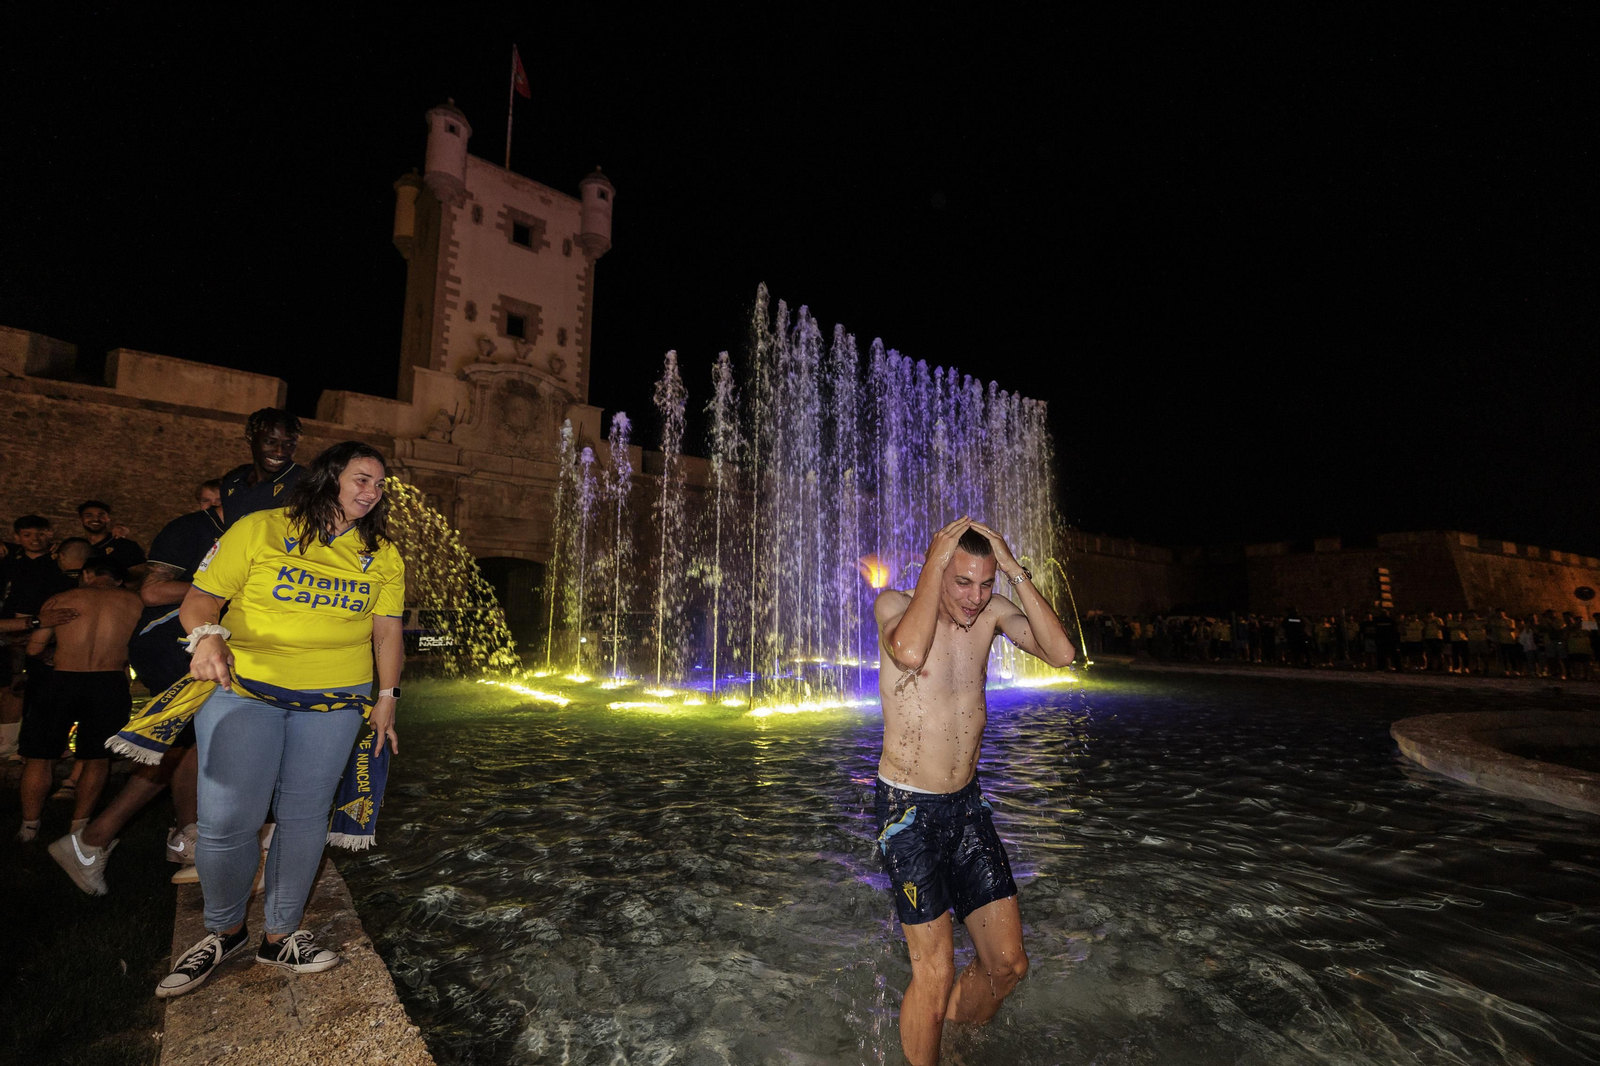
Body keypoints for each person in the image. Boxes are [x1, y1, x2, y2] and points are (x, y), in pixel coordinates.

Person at [149, 441, 404, 998]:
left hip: (335, 700)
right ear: (331, 477)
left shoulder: (380, 553)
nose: (372, 492)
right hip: (244, 690)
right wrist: (207, 636)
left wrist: (387, 695)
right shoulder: (261, 529)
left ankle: (281, 933)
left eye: (379, 485)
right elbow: (199, 599)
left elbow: (386, 630)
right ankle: (224, 930)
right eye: (363, 479)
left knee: (306, 815)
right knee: (225, 820)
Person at [872, 517, 1075, 1066]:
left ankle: (950, 1042)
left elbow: (1061, 654)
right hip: (907, 811)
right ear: (938, 568)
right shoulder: (894, 606)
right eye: (963, 581)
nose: (975, 596)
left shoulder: (990, 613)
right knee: (932, 974)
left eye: (986, 584)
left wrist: (1015, 571)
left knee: (1008, 965)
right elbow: (910, 654)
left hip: (966, 807)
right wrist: (933, 566)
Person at [50, 503, 227, 894]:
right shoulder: (198, 528)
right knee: (180, 743)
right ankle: (94, 840)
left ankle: (182, 837)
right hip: (174, 643)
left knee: (187, 745)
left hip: (184, 644)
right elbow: (152, 590)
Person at [14, 560, 142, 842]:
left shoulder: (63, 599)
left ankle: (29, 827)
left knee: (40, 757)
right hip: (109, 681)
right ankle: (78, 826)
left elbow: (35, 648)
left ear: (87, 575)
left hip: (63, 678)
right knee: (96, 758)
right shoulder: (136, 604)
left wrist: (51, 653)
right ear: (119, 580)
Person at [0, 516, 77, 760]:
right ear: (17, 538)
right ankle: (9, 744)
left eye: (40, 534)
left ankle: (55, 743)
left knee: (51, 690)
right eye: (28, 534)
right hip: (13, 634)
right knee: (14, 688)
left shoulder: (58, 566)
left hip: (50, 636)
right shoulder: (9, 563)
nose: (35, 539)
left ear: (50, 534)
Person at [219, 408, 304, 529]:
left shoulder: (306, 483)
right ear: (250, 437)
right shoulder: (232, 482)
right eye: (270, 442)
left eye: (289, 445)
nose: (280, 452)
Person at [77, 500, 147, 576]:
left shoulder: (125, 545)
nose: (96, 519)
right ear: (81, 519)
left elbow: (140, 573)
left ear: (108, 519)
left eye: (101, 515)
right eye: (89, 515)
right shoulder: (78, 548)